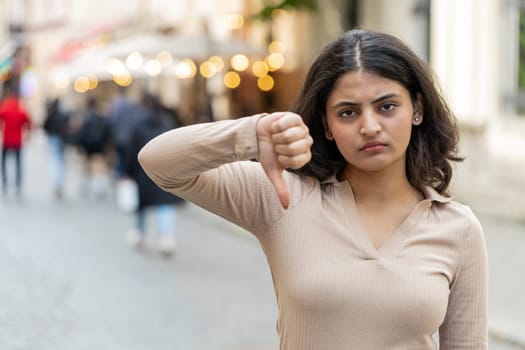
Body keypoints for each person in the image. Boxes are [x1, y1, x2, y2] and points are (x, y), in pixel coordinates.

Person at [138, 29, 488, 349]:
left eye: (386, 106)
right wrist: (250, 135)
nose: (369, 126)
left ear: (418, 109)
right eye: (348, 112)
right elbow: (159, 162)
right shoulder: (283, 196)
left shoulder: (459, 229)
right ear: (327, 125)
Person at [124, 93, 184, 255]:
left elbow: (132, 151)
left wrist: (128, 171)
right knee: (164, 204)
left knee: (141, 205)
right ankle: (166, 239)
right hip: (166, 171)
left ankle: (139, 234)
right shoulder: (168, 122)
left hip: (143, 173)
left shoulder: (138, 123)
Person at [0, 82, 32, 197]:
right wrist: (27, 134)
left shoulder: (5, 108)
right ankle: (18, 184)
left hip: (6, 140)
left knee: (3, 163)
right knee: (18, 163)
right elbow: (29, 122)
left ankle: (5, 183)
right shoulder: (21, 109)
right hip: (17, 141)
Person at [43, 97, 70, 198]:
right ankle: (60, 182)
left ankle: (56, 182)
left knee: (55, 161)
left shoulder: (52, 114)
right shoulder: (64, 114)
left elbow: (45, 126)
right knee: (60, 161)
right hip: (62, 140)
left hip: (54, 139)